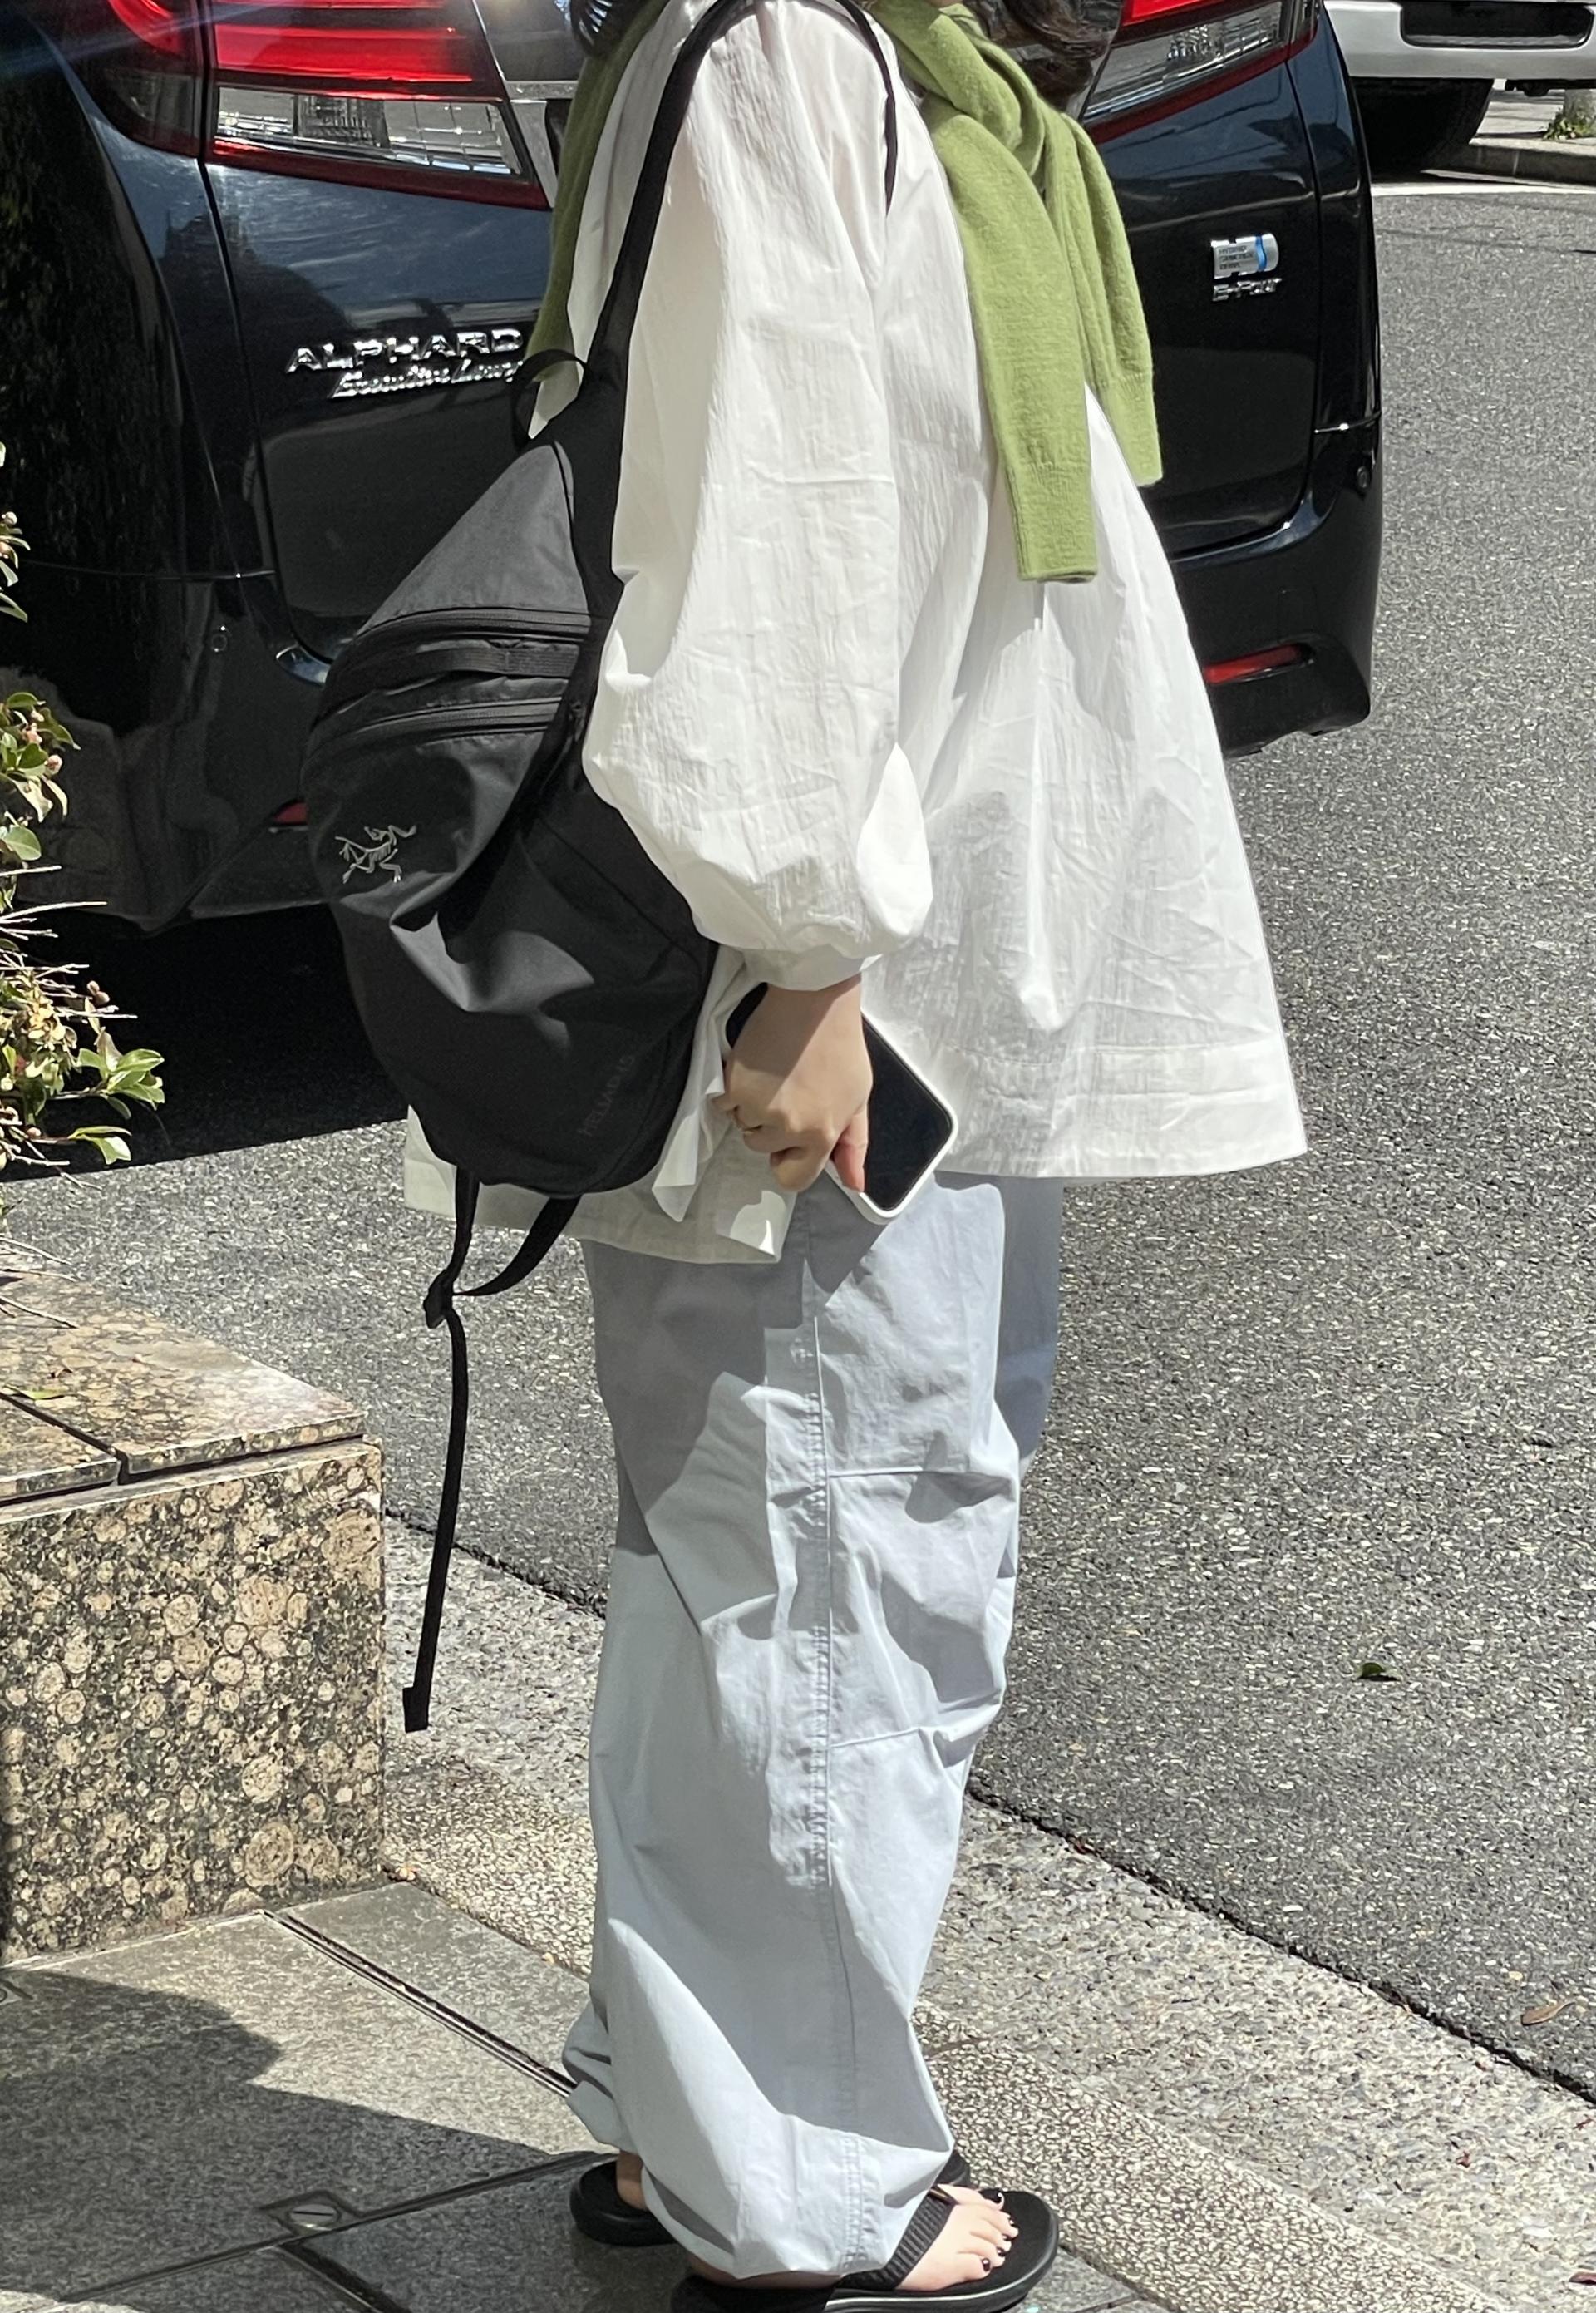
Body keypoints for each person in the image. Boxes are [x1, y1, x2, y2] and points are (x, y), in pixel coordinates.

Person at [408, 0, 1306, 2299]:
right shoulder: (795, 54)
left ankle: (689, 2116)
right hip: (828, 1006)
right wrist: (808, 954)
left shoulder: (915, 74)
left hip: (900, 978)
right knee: (832, 1568)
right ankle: (794, 2196)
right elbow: (773, 527)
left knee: (778, 1559)